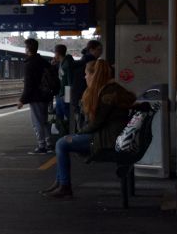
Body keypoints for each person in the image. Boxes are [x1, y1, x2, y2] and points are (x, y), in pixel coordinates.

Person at [43, 58, 135, 199]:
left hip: (107, 140)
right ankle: (60, 183)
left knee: (62, 143)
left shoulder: (106, 95)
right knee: (63, 141)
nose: (85, 76)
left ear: (94, 74)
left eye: (87, 74)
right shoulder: (112, 89)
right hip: (114, 137)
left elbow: (96, 124)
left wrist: (78, 134)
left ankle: (65, 186)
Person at [17, 37, 52, 154]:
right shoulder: (43, 61)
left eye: (25, 47)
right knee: (44, 121)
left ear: (28, 49)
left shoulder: (30, 64)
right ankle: (49, 144)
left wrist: (22, 100)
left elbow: (29, 85)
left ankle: (41, 146)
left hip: (36, 97)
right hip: (46, 95)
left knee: (37, 122)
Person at [69, 39, 102, 132]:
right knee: (85, 124)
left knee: (80, 122)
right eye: (98, 49)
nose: (101, 52)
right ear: (91, 50)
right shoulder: (91, 63)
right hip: (83, 97)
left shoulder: (82, 60)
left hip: (77, 96)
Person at [52, 44, 75, 135]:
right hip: (61, 93)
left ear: (57, 53)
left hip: (65, 93)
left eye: (55, 53)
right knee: (59, 113)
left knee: (67, 112)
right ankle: (62, 131)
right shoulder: (61, 62)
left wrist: (68, 96)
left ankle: (69, 132)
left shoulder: (67, 63)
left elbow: (70, 81)